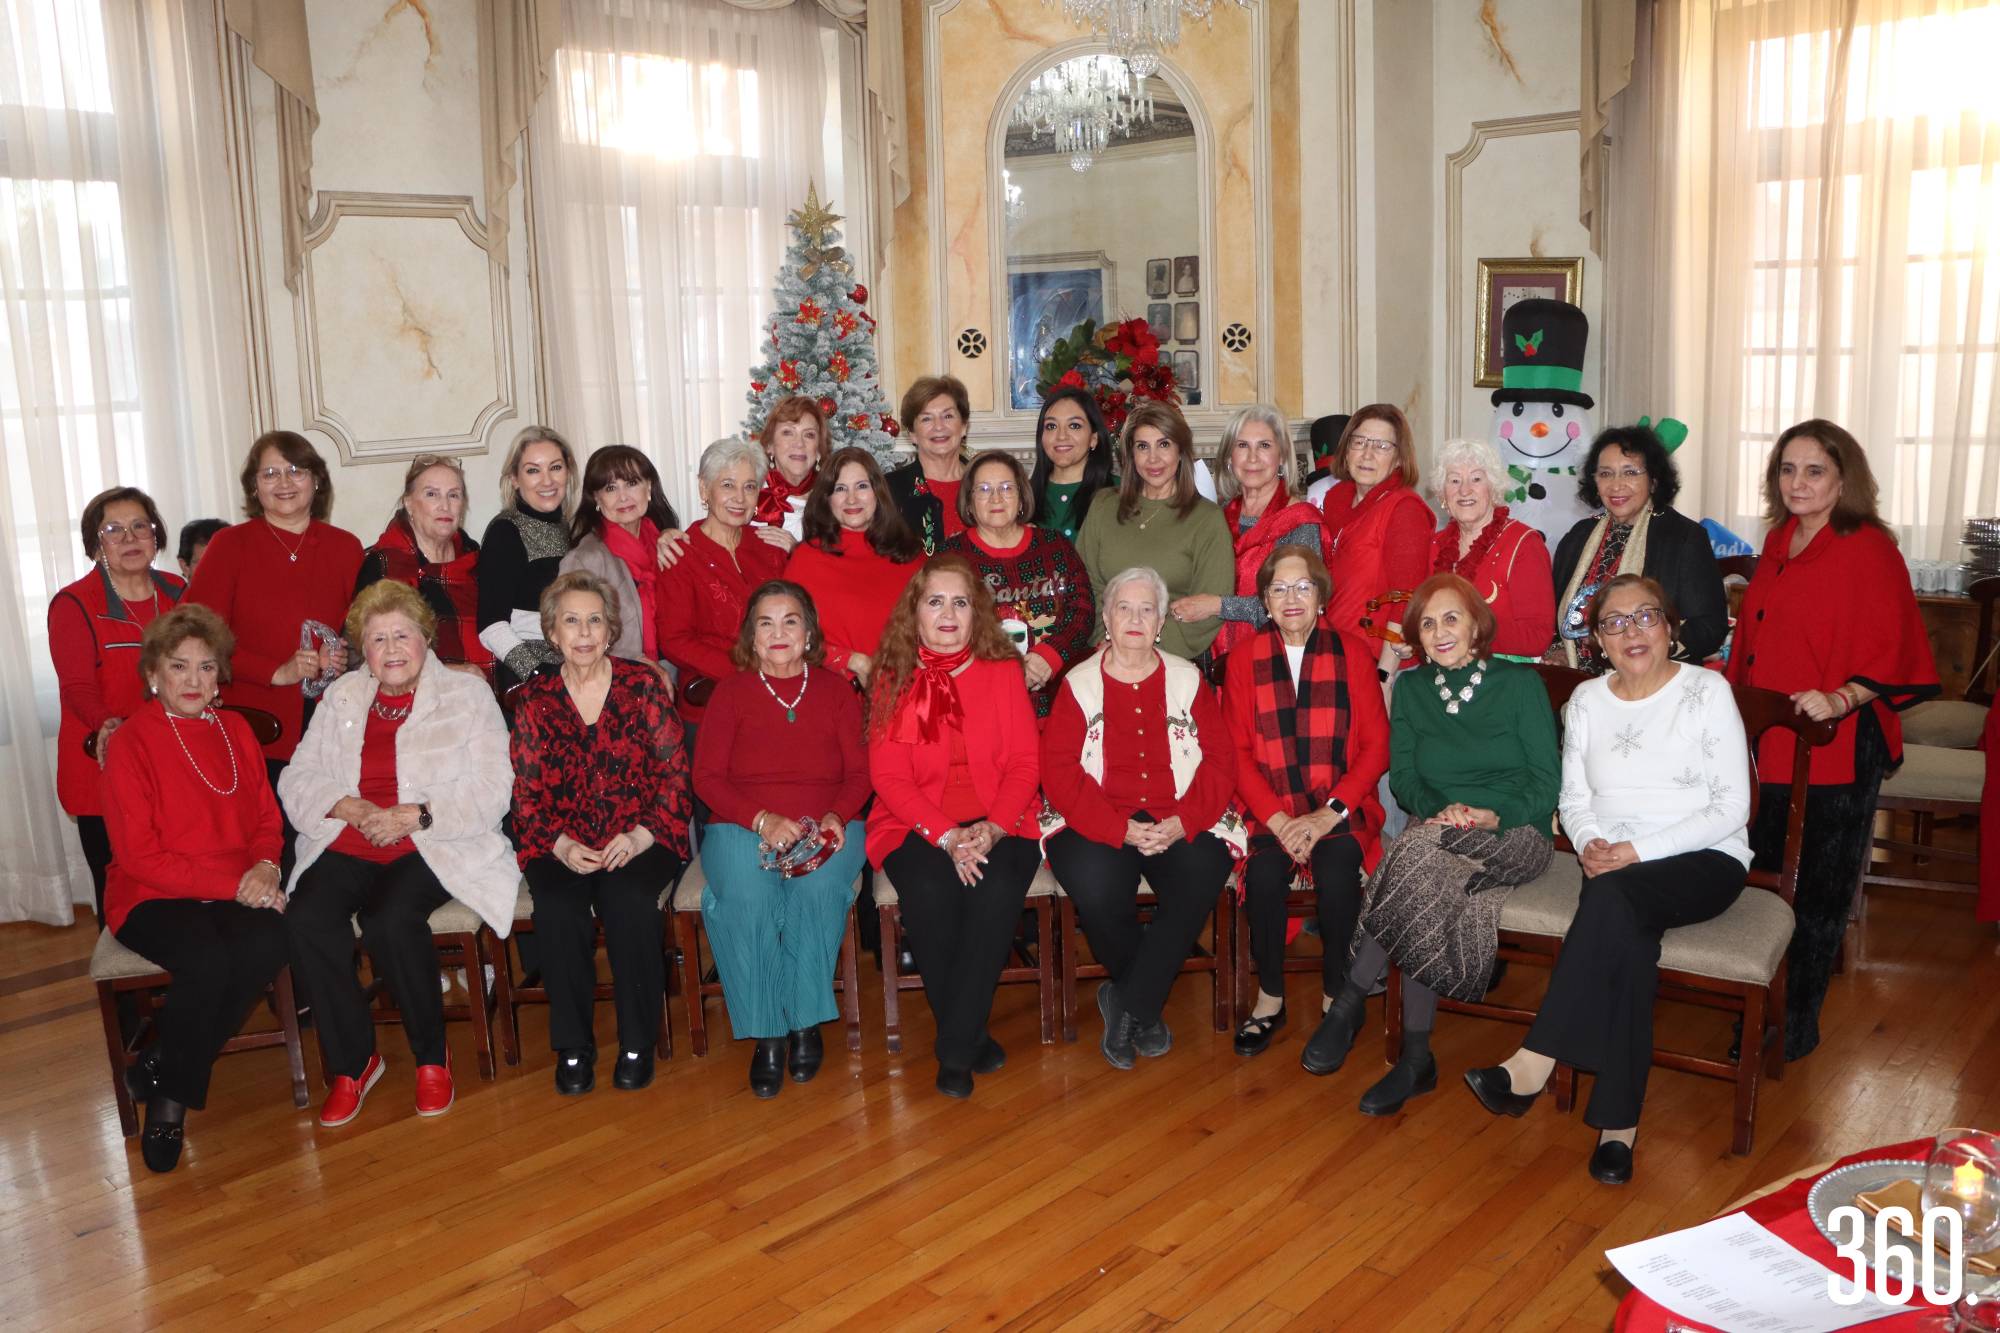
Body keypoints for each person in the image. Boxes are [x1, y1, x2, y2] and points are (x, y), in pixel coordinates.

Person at [1465, 575, 1751, 1186]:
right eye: (1614, 623)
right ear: (1597, 640)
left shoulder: (1708, 690)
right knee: (1625, 930)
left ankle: (1534, 1060)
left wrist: (1633, 850)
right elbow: (1574, 796)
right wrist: (1592, 841)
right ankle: (1618, 1128)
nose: (1632, 632)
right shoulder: (1589, 701)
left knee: (1614, 899)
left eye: (1645, 617)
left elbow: (1731, 808)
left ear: (1671, 627)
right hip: (1612, 865)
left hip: (1705, 858)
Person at [1300, 573, 1560, 1116]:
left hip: (1516, 832)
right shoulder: (1413, 689)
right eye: (1426, 622)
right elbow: (1405, 779)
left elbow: (1546, 783)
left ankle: (1348, 1003)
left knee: (1412, 852)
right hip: (1441, 831)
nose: (1440, 632)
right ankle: (1416, 1059)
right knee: (1425, 867)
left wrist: (1492, 814)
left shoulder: (1519, 685)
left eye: (1451, 618)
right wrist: (1439, 811)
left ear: (1475, 624)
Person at [1728, 419, 1937, 1059]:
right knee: (1763, 877)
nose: (1798, 482)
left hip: (1838, 740)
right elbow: (1757, 636)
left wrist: (1843, 696)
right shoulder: (1780, 540)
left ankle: (1791, 1025)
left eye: (1814, 470)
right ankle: (1755, 1005)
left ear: (1844, 478)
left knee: (1815, 891)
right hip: (1772, 737)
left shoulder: (1870, 547)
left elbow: (1896, 648)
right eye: (1787, 469)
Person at [279, 581, 518, 1127]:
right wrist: (347, 806)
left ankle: (432, 1059)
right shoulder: (341, 697)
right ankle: (353, 1063)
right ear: (363, 649)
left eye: (401, 635)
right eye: (377, 638)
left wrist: (418, 814)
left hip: (432, 840)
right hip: (350, 836)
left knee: (389, 921)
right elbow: (298, 777)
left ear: (424, 638)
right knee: (309, 918)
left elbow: (494, 785)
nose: (390, 648)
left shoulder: (467, 695)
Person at [100, 605, 287, 1172]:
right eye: (178, 667)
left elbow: (266, 821)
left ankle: (162, 1061)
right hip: (149, 891)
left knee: (273, 940)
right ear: (153, 673)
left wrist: (267, 869)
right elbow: (140, 856)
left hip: (236, 881)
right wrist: (236, 884)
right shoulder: (131, 742)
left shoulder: (235, 731)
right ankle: (169, 1105)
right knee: (207, 961)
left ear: (219, 675)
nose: (193, 681)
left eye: (206, 668)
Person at [1041, 566, 1242, 1070]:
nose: (1135, 617)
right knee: (1098, 887)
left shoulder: (1188, 678)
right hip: (1099, 813)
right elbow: (1060, 774)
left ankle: (1129, 1004)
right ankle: (1145, 1008)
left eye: (1146, 609)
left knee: (1199, 876)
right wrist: (1118, 829)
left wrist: (1185, 820)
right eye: (1123, 608)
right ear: (1107, 620)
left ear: (1159, 623)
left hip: (1179, 812)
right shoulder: (1078, 684)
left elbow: (1221, 761)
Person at [866, 554, 1042, 1099]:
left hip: (1003, 818)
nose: (948, 613)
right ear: (914, 612)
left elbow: (1024, 766)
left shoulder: (1002, 669)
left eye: (960, 602)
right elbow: (889, 777)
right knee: (930, 892)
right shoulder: (892, 675)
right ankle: (969, 1037)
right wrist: (947, 836)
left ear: (977, 613)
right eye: (935, 601)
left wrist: (988, 830)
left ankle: (955, 1047)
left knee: (993, 895)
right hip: (913, 822)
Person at [510, 572, 693, 1095]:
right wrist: (560, 845)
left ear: (610, 631)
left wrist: (640, 835)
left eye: (595, 620)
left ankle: (637, 1041)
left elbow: (675, 774)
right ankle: (573, 1048)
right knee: (559, 910)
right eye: (572, 621)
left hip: (639, 837)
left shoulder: (641, 685)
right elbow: (524, 792)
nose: (584, 632)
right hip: (561, 842)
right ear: (552, 633)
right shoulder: (535, 698)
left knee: (628, 901)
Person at [692, 582, 870, 1097]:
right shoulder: (731, 692)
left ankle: (805, 1023)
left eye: (790, 621)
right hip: (740, 822)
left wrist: (837, 814)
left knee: (815, 894)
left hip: (830, 823)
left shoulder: (837, 691)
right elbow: (706, 778)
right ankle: (769, 1034)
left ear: (809, 631)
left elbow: (861, 772)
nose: (778, 633)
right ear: (751, 634)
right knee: (749, 899)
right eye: (765, 623)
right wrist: (763, 819)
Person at [1222, 547, 1390, 1057]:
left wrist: (1326, 814)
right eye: (1278, 589)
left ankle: (1336, 998)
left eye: (1302, 587)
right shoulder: (1243, 660)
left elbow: (1375, 746)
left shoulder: (1353, 653)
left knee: (1339, 869)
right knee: (1267, 875)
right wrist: (1277, 818)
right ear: (1265, 602)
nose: (1291, 598)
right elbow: (1235, 752)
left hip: (1338, 808)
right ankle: (1270, 998)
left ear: (1321, 596)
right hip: (1266, 809)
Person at [185, 432, 364, 838]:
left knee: (327, 838)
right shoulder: (229, 545)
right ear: (253, 485)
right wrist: (273, 672)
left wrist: (344, 654)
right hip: (252, 720)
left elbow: (365, 631)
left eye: (296, 471)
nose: (284, 482)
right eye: (270, 473)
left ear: (317, 481)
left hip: (331, 721)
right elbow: (195, 636)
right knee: (266, 838)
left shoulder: (346, 547)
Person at [50, 487, 186, 920]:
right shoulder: (74, 603)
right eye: (113, 529)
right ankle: (125, 982)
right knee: (121, 893)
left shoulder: (179, 592)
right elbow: (78, 688)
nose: (129, 538)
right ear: (96, 543)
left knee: (176, 883)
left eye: (139, 526)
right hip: (104, 766)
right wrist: (109, 726)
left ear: (156, 534)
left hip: (172, 765)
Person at [1550, 424, 1727, 672]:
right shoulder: (1578, 536)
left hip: (1655, 682)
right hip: (1577, 682)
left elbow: (1710, 628)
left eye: (1630, 472)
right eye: (1605, 474)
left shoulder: (1684, 537)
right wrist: (1557, 649)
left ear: (1653, 480)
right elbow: (1554, 618)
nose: (1616, 485)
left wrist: (1646, 649)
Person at [1074, 400, 1233, 664]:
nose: (1153, 459)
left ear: (1180, 450)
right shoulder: (1103, 506)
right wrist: (1111, 641)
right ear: (1130, 454)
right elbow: (1085, 586)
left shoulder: (1207, 519)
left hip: (1175, 661)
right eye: (1142, 447)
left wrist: (1139, 649)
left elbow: (1206, 608)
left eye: (1164, 444)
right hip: (1105, 652)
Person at [1168, 404, 1325, 666]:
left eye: (1264, 445)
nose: (1252, 457)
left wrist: (1218, 606)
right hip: (1211, 662)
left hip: (1277, 662)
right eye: (1242, 445)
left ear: (1282, 457)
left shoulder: (1300, 521)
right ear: (1229, 457)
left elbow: (1298, 607)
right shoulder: (1216, 517)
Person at [942, 449, 1095, 716]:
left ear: (1022, 497)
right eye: (984, 489)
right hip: (982, 704)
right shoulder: (950, 559)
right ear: (969, 502)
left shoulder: (1055, 546)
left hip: (1060, 700)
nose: (996, 498)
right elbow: (941, 628)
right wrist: (1006, 671)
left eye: (1006, 487)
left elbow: (1082, 610)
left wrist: (1049, 656)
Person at [658, 438, 789, 725]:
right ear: (705, 489)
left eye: (750, 486)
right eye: (728, 485)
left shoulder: (771, 548)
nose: (740, 498)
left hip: (777, 700)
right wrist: (750, 670)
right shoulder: (680, 554)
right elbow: (675, 641)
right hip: (713, 707)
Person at [783, 446, 922, 687]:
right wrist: (850, 661)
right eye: (840, 489)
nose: (851, 499)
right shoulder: (806, 559)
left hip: (905, 692)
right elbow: (788, 634)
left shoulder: (911, 556)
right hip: (833, 694)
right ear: (827, 499)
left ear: (878, 493)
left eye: (862, 486)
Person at [1317, 405, 1435, 682]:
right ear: (1346, 450)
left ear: (1398, 459)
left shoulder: (1404, 509)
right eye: (1359, 442)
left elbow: (1406, 597)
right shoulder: (1336, 498)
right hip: (1332, 652)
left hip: (1378, 663)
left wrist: (1384, 676)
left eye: (1382, 446)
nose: (1367, 454)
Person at [355, 455, 494, 676]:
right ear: (409, 503)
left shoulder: (477, 559)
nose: (445, 505)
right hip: (416, 700)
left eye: (454, 495)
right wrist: (449, 675)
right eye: (431, 494)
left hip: (489, 698)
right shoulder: (383, 566)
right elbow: (366, 656)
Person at [1429, 437, 1555, 659]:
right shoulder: (1434, 545)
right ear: (1442, 495)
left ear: (1493, 489)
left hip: (1502, 679)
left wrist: (1466, 633)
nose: (1465, 491)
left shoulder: (1524, 544)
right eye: (1454, 481)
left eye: (1476, 479)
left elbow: (1538, 637)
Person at [560, 445, 681, 671]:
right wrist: (629, 664)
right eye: (611, 488)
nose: (623, 496)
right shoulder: (585, 559)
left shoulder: (666, 543)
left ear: (649, 488)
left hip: (676, 665)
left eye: (632, 483)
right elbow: (571, 635)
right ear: (597, 497)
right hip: (616, 675)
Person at [478, 426, 579, 694]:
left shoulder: (571, 528)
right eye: (533, 470)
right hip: (531, 678)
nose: (547, 481)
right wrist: (537, 674)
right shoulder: (505, 531)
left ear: (568, 472)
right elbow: (490, 624)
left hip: (576, 664)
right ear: (514, 478)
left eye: (555, 468)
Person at [885, 375, 971, 553]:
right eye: (926, 419)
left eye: (948, 416)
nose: (939, 426)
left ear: (963, 426)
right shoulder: (889, 489)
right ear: (912, 434)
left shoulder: (983, 481)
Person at [1029, 386, 1118, 541]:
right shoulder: (1021, 496)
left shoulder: (1121, 493)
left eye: (1074, 425)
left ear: (1094, 438)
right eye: (1051, 426)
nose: (1061, 436)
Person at [751, 396, 826, 546]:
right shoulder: (750, 493)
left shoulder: (833, 500)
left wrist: (796, 552)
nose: (799, 443)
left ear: (818, 450)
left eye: (809, 435)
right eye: (787, 432)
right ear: (770, 445)